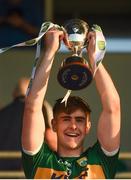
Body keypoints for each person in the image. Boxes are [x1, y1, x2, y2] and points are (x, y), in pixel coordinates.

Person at [21, 27, 121, 179]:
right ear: (54, 124)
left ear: (88, 126)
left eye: (80, 120)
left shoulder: (101, 160)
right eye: (66, 119)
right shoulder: (39, 160)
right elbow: (32, 107)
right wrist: (50, 51)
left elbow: (113, 107)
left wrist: (94, 58)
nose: (73, 126)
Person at [0, 77, 57, 171]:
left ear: (14, 94)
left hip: (3, 172)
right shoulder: (41, 108)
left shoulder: (2, 112)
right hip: (28, 170)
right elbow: (50, 136)